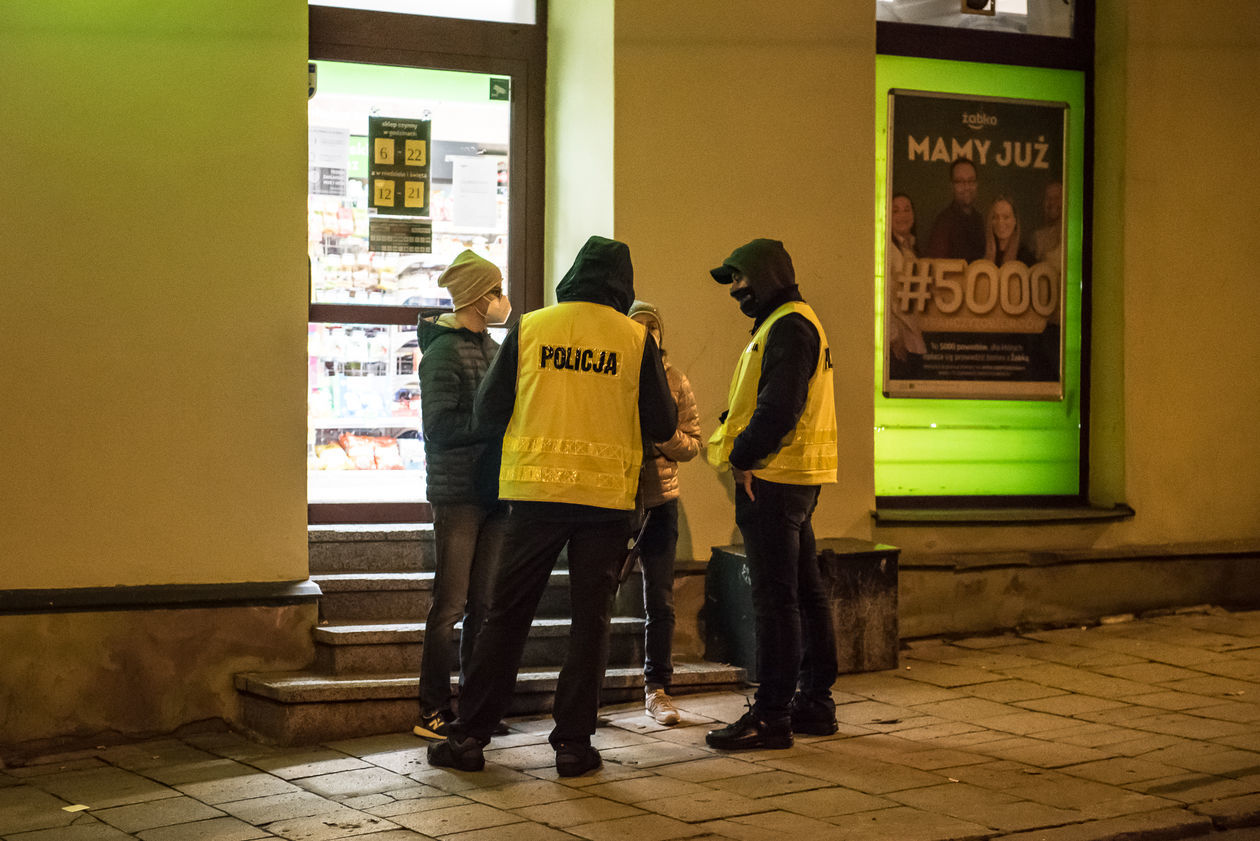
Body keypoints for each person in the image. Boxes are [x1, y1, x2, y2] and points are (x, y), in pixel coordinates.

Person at [426, 235, 677, 777]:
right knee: (591, 624)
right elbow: (662, 425)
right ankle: (572, 745)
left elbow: (489, 411)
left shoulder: (533, 327)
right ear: (622, 285)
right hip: (606, 503)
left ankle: (469, 737)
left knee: (505, 616)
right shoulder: (636, 340)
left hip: (534, 497)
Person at [704, 238, 839, 751]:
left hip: (773, 477)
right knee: (805, 592)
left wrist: (742, 456)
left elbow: (779, 407)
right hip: (795, 477)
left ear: (766, 276)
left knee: (776, 600)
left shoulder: (787, 327)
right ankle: (813, 703)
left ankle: (773, 714)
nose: (736, 290)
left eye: (740, 279)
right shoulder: (792, 322)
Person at [412, 250, 512, 740]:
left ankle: (475, 710)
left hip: (493, 491)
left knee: (485, 606)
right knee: (450, 605)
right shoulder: (444, 352)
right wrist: (490, 424)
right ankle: (432, 709)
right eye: (495, 291)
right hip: (458, 494)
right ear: (476, 297)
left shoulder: (492, 348)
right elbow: (438, 427)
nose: (502, 300)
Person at [626, 300, 702, 726]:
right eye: (638, 328)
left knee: (661, 598)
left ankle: (658, 688)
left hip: (659, 501)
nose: (647, 336)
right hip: (616, 498)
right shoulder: (614, 374)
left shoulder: (675, 380)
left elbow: (693, 442)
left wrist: (663, 439)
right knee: (598, 595)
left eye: (652, 328)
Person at [886, 192, 926, 380]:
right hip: (900, 345)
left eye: (907, 209)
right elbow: (885, 298)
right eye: (895, 211)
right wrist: (894, 338)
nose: (903, 215)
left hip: (915, 340)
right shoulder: (888, 252)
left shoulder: (912, 246)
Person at [925, 157, 985, 261]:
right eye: (960, 182)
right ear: (952, 186)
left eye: (971, 181)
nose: (966, 187)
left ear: (976, 184)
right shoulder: (944, 223)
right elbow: (937, 268)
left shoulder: (980, 219)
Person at [983, 196, 1035, 268]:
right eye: (995, 217)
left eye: (1006, 217)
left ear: (1015, 221)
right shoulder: (982, 251)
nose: (1000, 222)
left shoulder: (1025, 257)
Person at [1031, 180, 1063, 263]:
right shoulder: (1037, 237)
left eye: (1057, 198)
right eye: (1049, 198)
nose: (1052, 202)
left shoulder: (1072, 235)